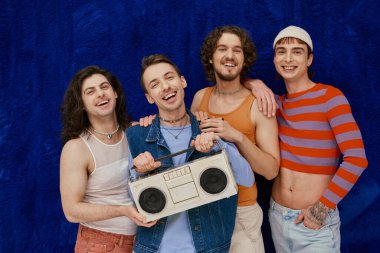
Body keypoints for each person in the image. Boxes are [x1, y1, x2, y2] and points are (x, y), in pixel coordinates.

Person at [247, 25, 368, 252]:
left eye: (297, 51)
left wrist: (322, 207)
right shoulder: (275, 104)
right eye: (281, 51)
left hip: (314, 222)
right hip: (277, 215)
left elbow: (357, 158)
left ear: (309, 59)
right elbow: (237, 84)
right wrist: (255, 83)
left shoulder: (331, 98)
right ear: (274, 59)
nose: (288, 58)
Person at [127, 54, 255, 253]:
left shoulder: (210, 128)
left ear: (182, 81)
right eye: (155, 84)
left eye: (169, 77)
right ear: (149, 98)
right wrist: (141, 174)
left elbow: (247, 179)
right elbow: (131, 202)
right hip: (154, 248)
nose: (165, 86)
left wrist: (218, 145)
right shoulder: (136, 136)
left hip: (209, 248)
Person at [191, 25, 280, 253]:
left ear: (244, 58)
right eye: (222, 49)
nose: (229, 56)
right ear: (211, 57)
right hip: (204, 212)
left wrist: (237, 136)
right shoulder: (200, 98)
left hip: (242, 214)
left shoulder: (257, 105)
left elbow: (271, 171)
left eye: (237, 50)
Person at [60, 66, 155, 253]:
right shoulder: (77, 148)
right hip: (100, 244)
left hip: (146, 242)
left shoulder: (136, 131)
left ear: (116, 93)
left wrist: (157, 125)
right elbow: (71, 211)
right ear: (82, 103)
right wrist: (123, 211)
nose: (100, 94)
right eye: (90, 91)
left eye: (104, 87)